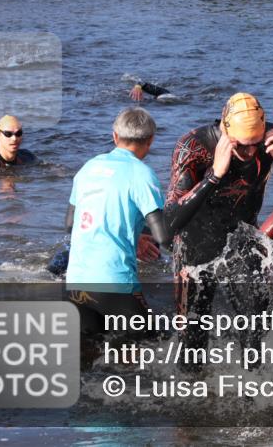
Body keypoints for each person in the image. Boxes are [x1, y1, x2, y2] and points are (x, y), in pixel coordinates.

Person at [165, 92, 273, 359]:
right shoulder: (194, 146)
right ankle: (195, 395)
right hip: (194, 249)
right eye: (241, 146)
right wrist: (214, 176)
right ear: (224, 130)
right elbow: (170, 221)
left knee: (255, 331)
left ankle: (252, 395)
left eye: (255, 144)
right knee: (193, 348)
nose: (249, 152)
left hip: (240, 241)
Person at [65, 107, 175, 368]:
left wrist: (131, 237)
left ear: (115, 136)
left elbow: (71, 225)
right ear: (150, 141)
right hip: (116, 284)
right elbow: (163, 237)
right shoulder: (142, 174)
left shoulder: (87, 168)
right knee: (155, 345)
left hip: (76, 283)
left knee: (86, 363)